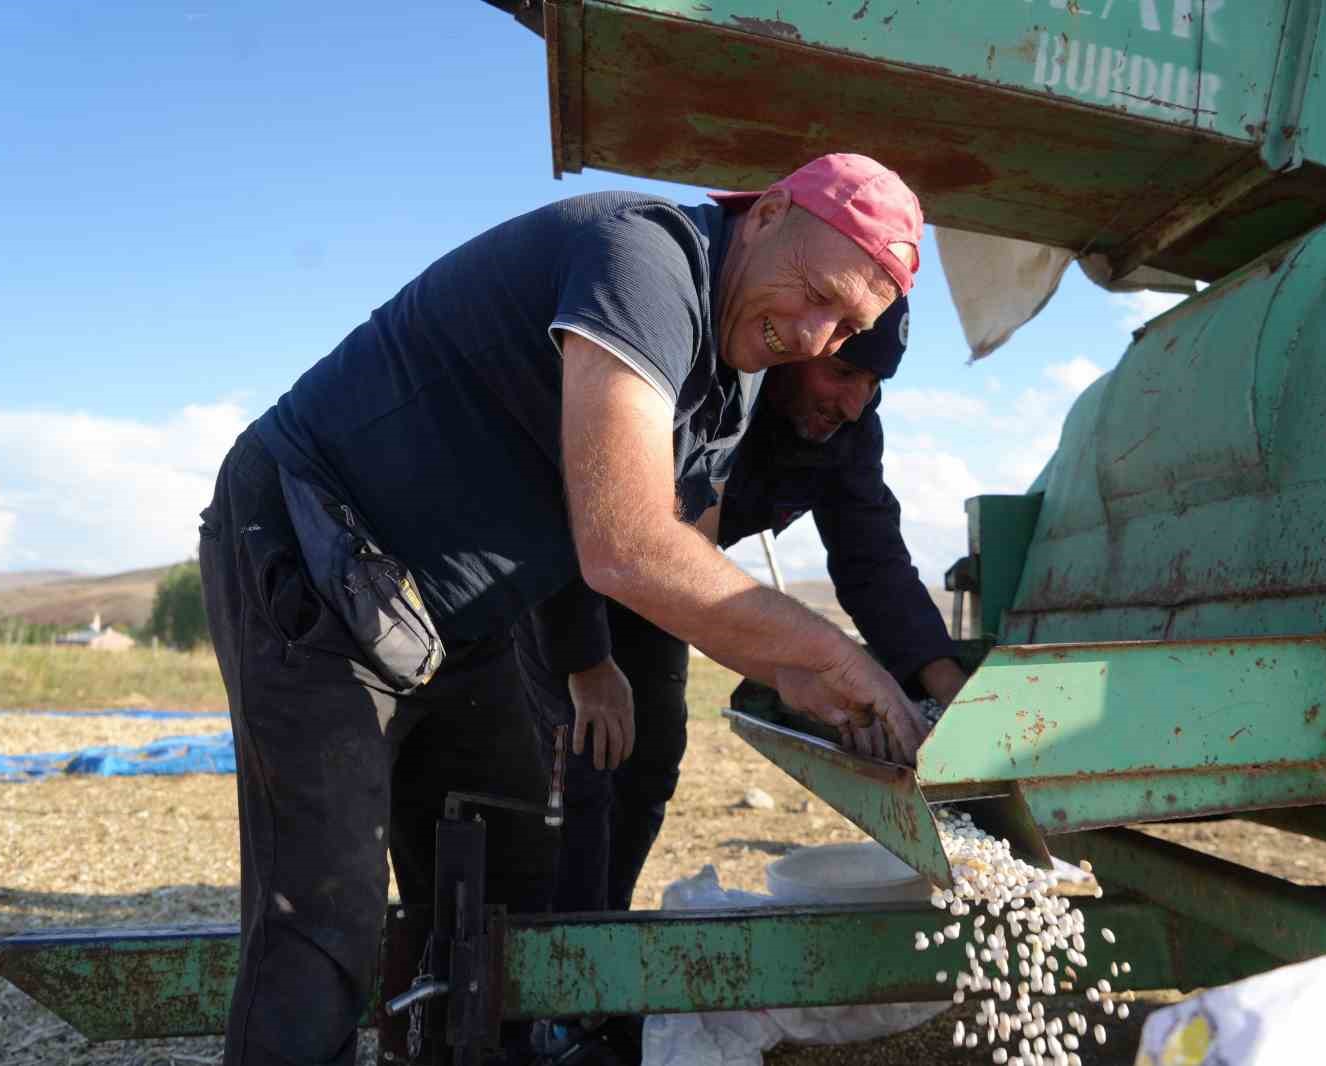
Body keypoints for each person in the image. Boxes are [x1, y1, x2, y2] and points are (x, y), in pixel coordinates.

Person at [196, 152, 933, 1066]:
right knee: (321, 922)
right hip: (314, 546)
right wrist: (838, 656)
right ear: (770, 212)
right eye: (818, 294)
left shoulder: (736, 378)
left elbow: (687, 564)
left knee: (504, 894)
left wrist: (803, 679)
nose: (816, 335)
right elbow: (626, 546)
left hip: (455, 613)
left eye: (847, 325)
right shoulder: (643, 259)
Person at [513, 295, 966, 1019]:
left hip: (672, 587)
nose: (853, 404)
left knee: (652, 760)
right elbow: (577, 511)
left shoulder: (849, 432)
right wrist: (587, 662)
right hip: (573, 570)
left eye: (872, 385)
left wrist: (945, 687)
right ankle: (551, 989)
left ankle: (606, 953)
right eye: (843, 372)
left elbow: (871, 559)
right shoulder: (714, 386)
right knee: (583, 770)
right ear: (803, 342)